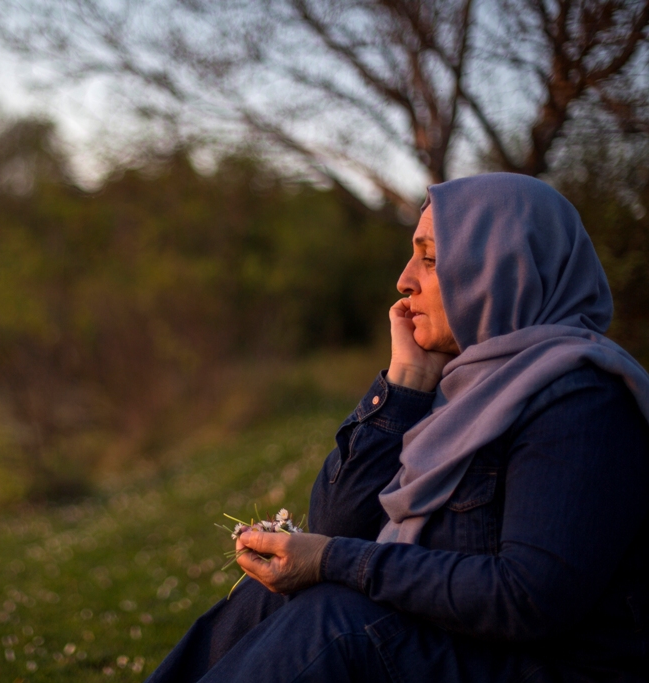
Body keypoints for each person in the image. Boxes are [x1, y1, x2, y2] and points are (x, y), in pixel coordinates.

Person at [145, 173, 649, 682]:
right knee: (270, 597)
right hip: (462, 643)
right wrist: (405, 383)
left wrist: (336, 561)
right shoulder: (464, 388)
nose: (404, 279)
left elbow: (526, 597)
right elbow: (336, 524)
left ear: (502, 270)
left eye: (430, 259)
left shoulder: (581, 398)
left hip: (542, 666)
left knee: (335, 622)